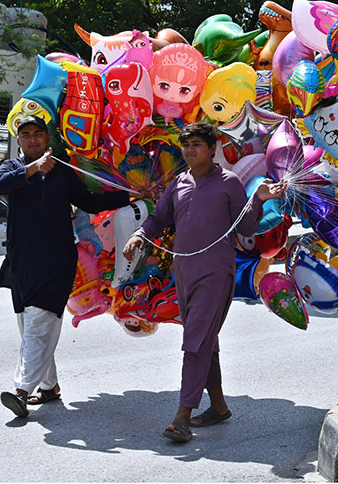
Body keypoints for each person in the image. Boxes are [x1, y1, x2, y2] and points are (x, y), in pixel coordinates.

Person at [122, 122, 286, 443]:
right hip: (184, 270)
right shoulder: (178, 183)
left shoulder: (229, 182)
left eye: (197, 144)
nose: (189, 150)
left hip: (215, 271)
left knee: (195, 339)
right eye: (186, 145)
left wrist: (258, 199)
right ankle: (219, 407)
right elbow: (158, 217)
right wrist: (140, 235)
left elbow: (246, 228)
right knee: (204, 339)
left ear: (212, 149)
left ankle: (182, 416)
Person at [0, 115, 131, 418]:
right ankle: (49, 386)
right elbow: (0, 184)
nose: (32, 139)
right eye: (26, 135)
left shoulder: (63, 171)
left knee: (38, 324)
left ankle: (21, 391)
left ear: (47, 138)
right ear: (19, 141)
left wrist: (128, 196)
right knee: (30, 327)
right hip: (21, 263)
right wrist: (34, 168)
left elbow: (89, 202)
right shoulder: (11, 168)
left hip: (57, 261)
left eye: (38, 133)